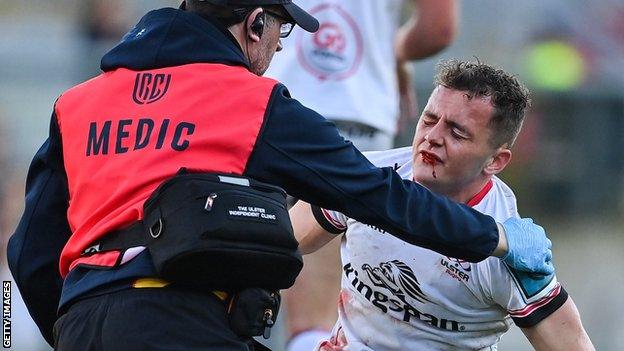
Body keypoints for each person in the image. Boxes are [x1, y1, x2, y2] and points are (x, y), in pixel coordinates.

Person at [8, 1, 553, 350]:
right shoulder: (249, 101)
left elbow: (30, 252)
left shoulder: (77, 103)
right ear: (254, 25)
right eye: (281, 35)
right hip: (180, 322)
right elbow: (377, 193)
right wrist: (496, 236)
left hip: (79, 320)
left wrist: (77, 327)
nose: (276, 52)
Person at [290, 59, 595, 350]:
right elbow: (281, 242)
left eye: (457, 132)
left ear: (495, 161)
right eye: (429, 120)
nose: (432, 137)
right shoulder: (367, 177)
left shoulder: (514, 253)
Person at [266, 1, 458, 345]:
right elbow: (437, 28)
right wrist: (391, 52)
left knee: (263, 300)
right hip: (360, 118)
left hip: (274, 108)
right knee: (350, 313)